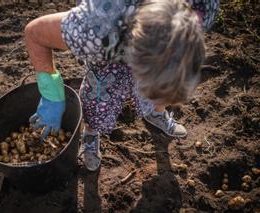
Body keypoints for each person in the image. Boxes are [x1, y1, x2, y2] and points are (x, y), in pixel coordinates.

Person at [25, 0, 220, 171]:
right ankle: (91, 134)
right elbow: (34, 33)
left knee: (160, 86)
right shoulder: (95, 28)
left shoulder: (204, 7)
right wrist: (51, 94)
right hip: (107, 42)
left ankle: (156, 113)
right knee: (98, 96)